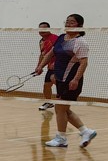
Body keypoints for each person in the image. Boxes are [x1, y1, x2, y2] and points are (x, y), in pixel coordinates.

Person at [34, 13, 97, 148]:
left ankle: (61, 138)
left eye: (72, 22)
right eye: (67, 21)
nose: (68, 24)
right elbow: (50, 53)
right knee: (64, 109)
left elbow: (84, 63)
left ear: (79, 25)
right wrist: (40, 66)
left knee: (60, 108)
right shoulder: (61, 38)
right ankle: (86, 131)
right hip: (60, 79)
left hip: (71, 81)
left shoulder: (80, 42)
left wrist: (76, 79)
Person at [36, 21, 58, 111]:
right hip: (50, 67)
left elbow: (60, 52)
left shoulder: (55, 38)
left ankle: (63, 102)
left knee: (58, 83)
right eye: (40, 29)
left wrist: (55, 62)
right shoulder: (41, 41)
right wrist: (38, 66)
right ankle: (48, 102)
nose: (42, 31)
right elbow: (42, 55)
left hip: (59, 66)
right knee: (46, 85)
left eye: (44, 29)